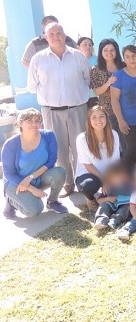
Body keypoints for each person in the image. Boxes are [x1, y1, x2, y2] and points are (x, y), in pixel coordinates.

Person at [27, 22, 90, 196]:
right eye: (51, 34)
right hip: (51, 112)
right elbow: (32, 86)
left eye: (59, 33)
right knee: (59, 150)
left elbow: (87, 79)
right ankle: (67, 183)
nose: (56, 37)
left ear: (65, 34)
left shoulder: (78, 56)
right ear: (46, 37)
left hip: (77, 109)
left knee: (80, 146)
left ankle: (83, 181)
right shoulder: (38, 59)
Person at [2, 109, 68, 218]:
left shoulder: (48, 135)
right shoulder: (10, 144)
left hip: (37, 178)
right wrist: (31, 188)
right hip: (16, 183)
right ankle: (11, 201)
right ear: (20, 123)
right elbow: (9, 173)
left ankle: (52, 202)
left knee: (59, 172)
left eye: (37, 121)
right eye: (29, 121)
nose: (34, 124)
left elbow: (51, 160)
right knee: (35, 211)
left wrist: (30, 178)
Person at [75, 106, 121, 211]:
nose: (98, 121)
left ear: (106, 119)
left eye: (101, 116)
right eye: (94, 117)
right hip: (89, 173)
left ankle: (108, 197)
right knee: (87, 185)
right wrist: (104, 180)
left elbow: (115, 161)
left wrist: (110, 178)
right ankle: (90, 199)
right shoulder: (82, 138)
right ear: (89, 120)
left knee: (127, 178)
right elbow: (88, 165)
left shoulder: (114, 135)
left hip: (109, 172)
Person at [90, 39, 126, 146]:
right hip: (107, 110)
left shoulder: (124, 66)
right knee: (111, 140)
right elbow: (97, 91)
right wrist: (108, 83)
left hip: (126, 107)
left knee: (126, 140)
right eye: (105, 50)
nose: (109, 53)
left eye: (112, 50)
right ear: (101, 52)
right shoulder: (96, 69)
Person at [92, 162, 132, 231]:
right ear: (110, 179)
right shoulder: (108, 187)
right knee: (103, 205)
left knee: (128, 207)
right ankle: (101, 220)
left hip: (124, 205)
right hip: (111, 205)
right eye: (116, 178)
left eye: (121, 177)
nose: (120, 179)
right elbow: (99, 200)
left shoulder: (130, 186)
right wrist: (108, 199)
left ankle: (115, 220)